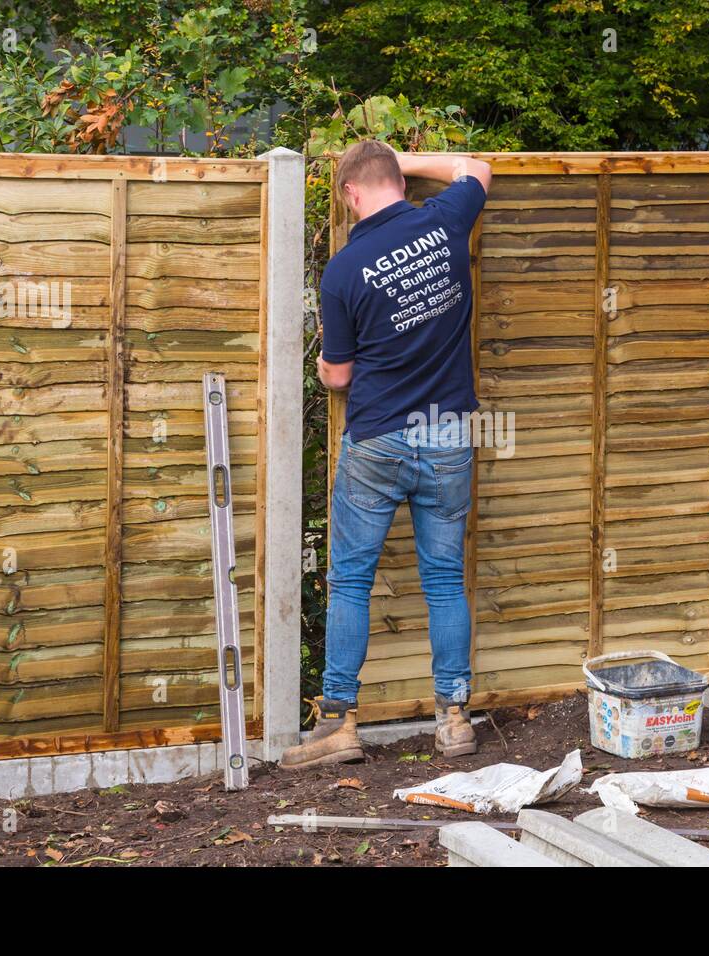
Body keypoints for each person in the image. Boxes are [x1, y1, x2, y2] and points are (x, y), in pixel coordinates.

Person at [280, 141, 492, 769]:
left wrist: (322, 362)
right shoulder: (446, 220)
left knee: (350, 579)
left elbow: (338, 377)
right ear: (396, 180)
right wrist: (410, 158)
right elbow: (478, 168)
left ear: (349, 194)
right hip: (449, 432)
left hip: (378, 438)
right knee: (445, 578)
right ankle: (454, 719)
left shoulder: (344, 270)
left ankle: (339, 723)